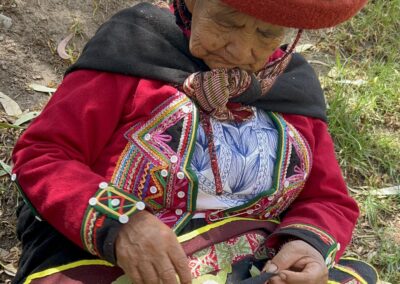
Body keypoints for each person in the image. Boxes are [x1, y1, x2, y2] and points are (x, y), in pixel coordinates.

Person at [11, 0, 379, 283]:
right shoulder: (133, 50)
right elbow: (44, 155)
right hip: (116, 264)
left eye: (266, 35)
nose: (240, 49)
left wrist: (305, 246)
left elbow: (328, 199)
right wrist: (121, 222)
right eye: (226, 21)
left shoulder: (292, 86)